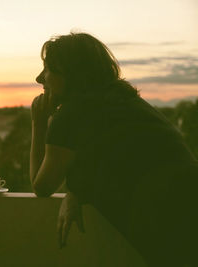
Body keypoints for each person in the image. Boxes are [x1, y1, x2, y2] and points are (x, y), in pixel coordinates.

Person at [30, 32, 198, 267]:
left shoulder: (70, 114)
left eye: (47, 69)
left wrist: (38, 123)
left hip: (164, 217)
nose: (40, 79)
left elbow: (42, 186)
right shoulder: (127, 103)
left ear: (68, 74)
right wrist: (76, 191)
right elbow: (121, 158)